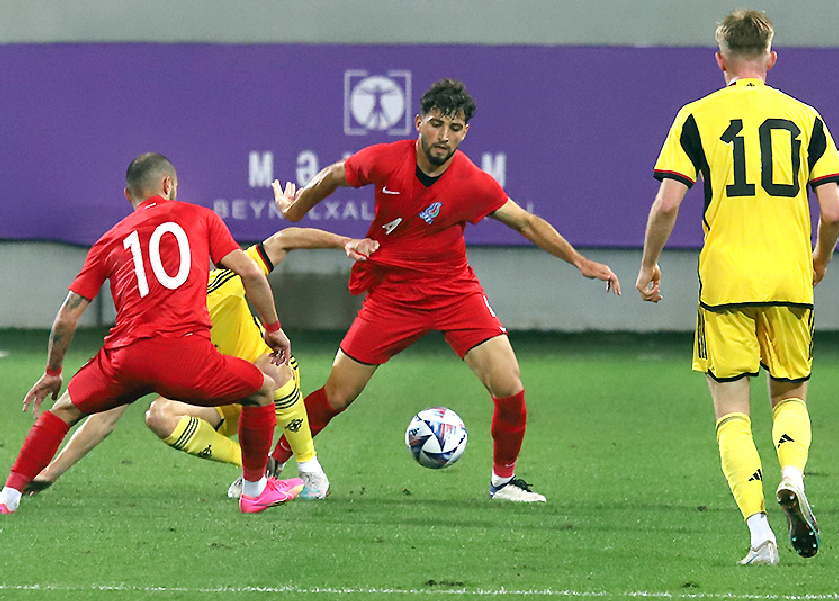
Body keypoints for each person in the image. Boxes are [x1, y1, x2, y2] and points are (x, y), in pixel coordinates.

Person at [272, 78, 621, 502]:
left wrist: (579, 261)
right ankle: (274, 461)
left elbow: (527, 222)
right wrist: (296, 209)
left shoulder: (472, 182)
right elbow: (333, 175)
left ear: (465, 132)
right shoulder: (386, 160)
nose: (444, 135)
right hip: (394, 294)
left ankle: (503, 483)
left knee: (509, 385)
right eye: (436, 124)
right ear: (419, 122)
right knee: (338, 394)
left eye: (454, 128)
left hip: (454, 292)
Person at [635, 10, 839, 564]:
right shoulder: (805, 118)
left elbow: (668, 204)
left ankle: (760, 535)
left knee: (732, 412)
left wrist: (649, 264)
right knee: (790, 396)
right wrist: (819, 259)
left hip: (726, 281)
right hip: (789, 279)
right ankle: (792, 476)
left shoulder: (696, 116)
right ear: (771, 58)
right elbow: (832, 211)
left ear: (720, 60)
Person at [0, 152, 304, 515]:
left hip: (125, 358)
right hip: (186, 357)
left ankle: (8, 496)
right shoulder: (201, 218)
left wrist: (52, 372)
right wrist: (274, 330)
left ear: (128, 195)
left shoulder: (109, 239)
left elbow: (67, 317)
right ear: (168, 184)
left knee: (63, 410)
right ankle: (254, 491)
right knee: (261, 390)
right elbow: (251, 273)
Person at [23, 227, 378, 501]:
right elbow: (105, 415)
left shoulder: (224, 282)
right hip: (218, 401)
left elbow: (283, 240)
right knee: (159, 415)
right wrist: (50, 472)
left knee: (272, 368)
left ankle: (310, 470)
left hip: (265, 389)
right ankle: (257, 468)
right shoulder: (153, 326)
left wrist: (344, 242)